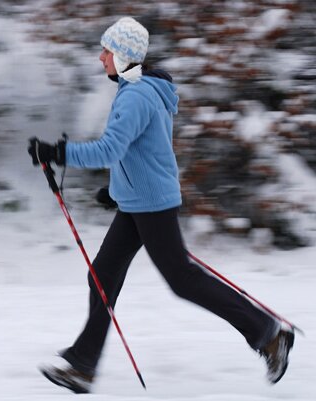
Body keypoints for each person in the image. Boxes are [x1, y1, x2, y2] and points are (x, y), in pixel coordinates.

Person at [27, 16, 294, 394]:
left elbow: (109, 149)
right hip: (139, 201)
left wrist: (56, 152)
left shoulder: (135, 95)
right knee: (102, 275)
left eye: (107, 50)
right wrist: (117, 189)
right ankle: (83, 365)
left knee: (181, 279)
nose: (100, 57)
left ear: (123, 56)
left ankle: (268, 334)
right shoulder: (139, 88)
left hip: (151, 204)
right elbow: (141, 151)